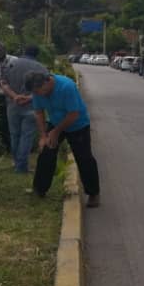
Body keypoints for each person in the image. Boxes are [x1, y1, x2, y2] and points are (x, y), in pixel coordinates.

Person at [26, 70, 100, 206]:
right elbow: (38, 112)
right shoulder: (37, 91)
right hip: (54, 122)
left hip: (77, 125)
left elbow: (73, 114)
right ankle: (39, 189)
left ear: (47, 81)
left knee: (84, 158)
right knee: (46, 153)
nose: (38, 94)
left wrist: (56, 132)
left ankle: (93, 193)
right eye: (35, 92)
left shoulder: (67, 86)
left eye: (39, 91)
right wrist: (43, 136)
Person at [0, 45, 47, 173]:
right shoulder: (40, 68)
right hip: (31, 106)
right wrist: (29, 98)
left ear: (24, 52)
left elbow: (3, 84)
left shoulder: (10, 65)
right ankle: (21, 167)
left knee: (14, 135)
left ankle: (17, 163)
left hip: (12, 106)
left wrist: (15, 97)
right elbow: (45, 88)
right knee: (26, 136)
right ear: (37, 54)